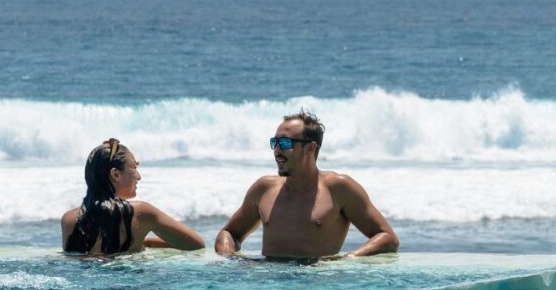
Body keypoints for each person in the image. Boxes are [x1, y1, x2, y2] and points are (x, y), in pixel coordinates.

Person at [215, 111, 399, 260]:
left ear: (310, 148)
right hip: (269, 285)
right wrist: (228, 260)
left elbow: (387, 238)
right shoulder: (264, 188)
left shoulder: (339, 188)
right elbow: (230, 233)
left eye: (285, 143)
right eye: (275, 143)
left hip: (316, 287)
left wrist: (348, 260)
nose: (277, 150)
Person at [62, 138, 206, 255]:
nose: (139, 176)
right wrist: (143, 241)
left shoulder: (68, 219)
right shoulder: (142, 213)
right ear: (116, 174)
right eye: (134, 168)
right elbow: (196, 245)